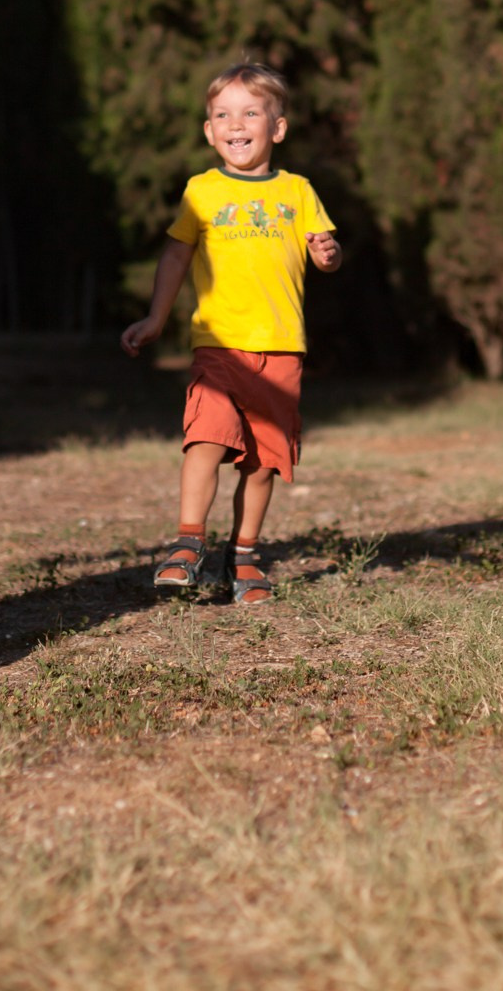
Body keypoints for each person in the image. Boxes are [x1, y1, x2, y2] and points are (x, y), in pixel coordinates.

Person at [120, 63, 342, 606]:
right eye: (223, 114)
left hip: (282, 347)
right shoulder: (202, 190)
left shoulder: (298, 190)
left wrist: (329, 255)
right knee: (205, 438)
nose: (235, 124)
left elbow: (326, 250)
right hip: (218, 342)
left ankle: (244, 556)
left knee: (264, 462)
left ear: (278, 128)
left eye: (249, 112)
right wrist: (154, 318)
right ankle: (188, 541)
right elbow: (176, 255)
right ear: (208, 130)